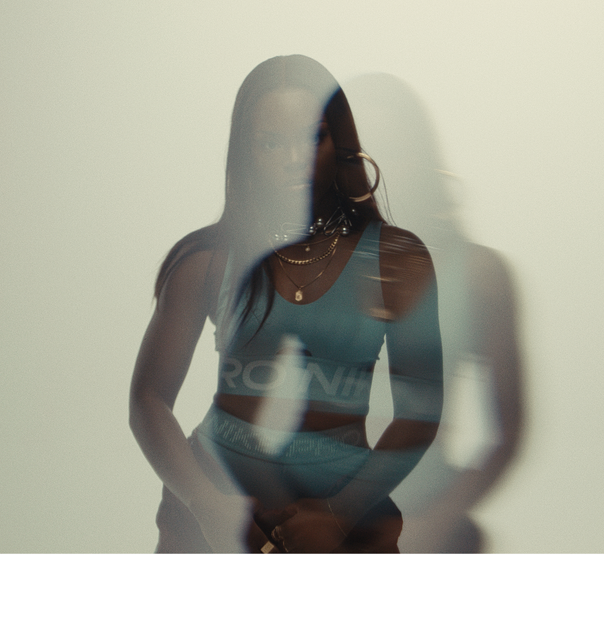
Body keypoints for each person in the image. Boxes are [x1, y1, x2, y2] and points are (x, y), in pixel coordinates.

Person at [129, 55, 443, 553]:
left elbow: (422, 409)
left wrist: (340, 514)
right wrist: (206, 504)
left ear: (339, 141)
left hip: (345, 505)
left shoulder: (396, 259)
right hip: (216, 499)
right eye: (271, 142)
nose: (295, 158)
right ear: (244, 151)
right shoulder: (207, 259)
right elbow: (148, 400)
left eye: (311, 137)